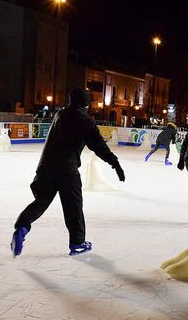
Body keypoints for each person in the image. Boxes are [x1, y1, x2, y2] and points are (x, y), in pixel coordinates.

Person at [11, 87, 125, 257]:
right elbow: (98, 145)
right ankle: (77, 242)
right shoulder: (85, 120)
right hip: (67, 170)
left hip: (46, 167)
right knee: (73, 207)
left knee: (41, 201)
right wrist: (115, 163)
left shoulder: (60, 114)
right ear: (86, 104)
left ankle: (21, 227)